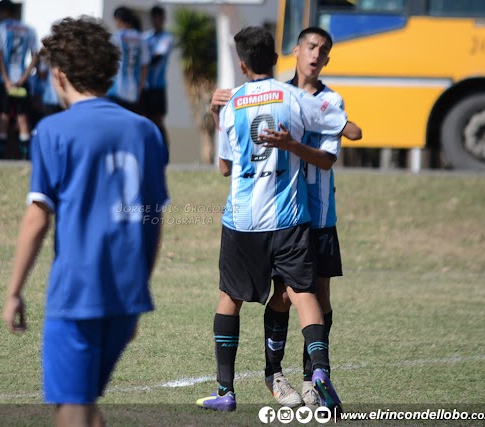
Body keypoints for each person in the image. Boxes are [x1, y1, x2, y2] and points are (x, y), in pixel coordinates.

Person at [2, 16, 168, 427]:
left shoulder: (53, 130)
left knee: (73, 410)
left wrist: (14, 291)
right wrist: (135, 292)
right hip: (125, 295)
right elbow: (152, 218)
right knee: (84, 406)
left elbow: (37, 217)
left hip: (77, 293)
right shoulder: (146, 131)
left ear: (58, 75)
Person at [196, 26, 346, 413]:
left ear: (242, 64)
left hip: (243, 223)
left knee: (230, 299)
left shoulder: (232, 104)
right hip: (290, 219)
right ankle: (320, 373)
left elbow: (226, 168)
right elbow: (338, 125)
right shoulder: (294, 97)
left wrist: (217, 115)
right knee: (305, 295)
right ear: (278, 58)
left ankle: (225, 391)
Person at [256, 27, 361, 408]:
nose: (316, 54)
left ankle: (311, 381)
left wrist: (300, 140)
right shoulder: (279, 96)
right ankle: (273, 373)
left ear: (327, 60)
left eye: (324, 50)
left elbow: (329, 157)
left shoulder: (332, 100)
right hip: (285, 215)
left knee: (320, 295)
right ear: (297, 51)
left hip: (320, 216)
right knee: (284, 295)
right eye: (311, 47)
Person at [0, 0, 38, 159]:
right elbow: (35, 57)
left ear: (4, 12)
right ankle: (25, 154)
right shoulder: (29, 29)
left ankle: (0, 152)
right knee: (22, 116)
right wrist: (23, 78)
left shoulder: (0, 28)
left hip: (4, 80)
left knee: (4, 116)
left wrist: (6, 79)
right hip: (21, 80)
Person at [140, 5, 174, 149]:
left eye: (160, 18)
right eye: (154, 18)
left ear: (163, 19)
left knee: (158, 120)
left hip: (158, 86)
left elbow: (155, 58)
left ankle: (164, 151)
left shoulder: (167, 38)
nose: (157, 21)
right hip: (144, 87)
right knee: (145, 118)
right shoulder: (145, 37)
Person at [107, 6, 150, 112]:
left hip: (116, 90)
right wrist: (140, 87)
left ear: (118, 20)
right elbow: (145, 65)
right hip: (133, 91)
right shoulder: (142, 39)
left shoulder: (116, 38)